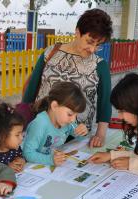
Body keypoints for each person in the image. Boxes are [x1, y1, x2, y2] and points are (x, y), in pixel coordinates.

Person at [21, 8, 113, 148]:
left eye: (98, 45)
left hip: (76, 137)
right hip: (41, 133)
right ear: (77, 32)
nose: (93, 49)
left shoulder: (99, 65)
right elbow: (31, 90)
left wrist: (100, 135)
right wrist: (21, 125)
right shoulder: (50, 53)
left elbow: (105, 103)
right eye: (90, 42)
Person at [23, 81, 88, 166]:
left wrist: (82, 132)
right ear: (54, 106)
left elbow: (79, 138)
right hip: (31, 166)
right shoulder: (40, 124)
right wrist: (50, 160)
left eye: (76, 115)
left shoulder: (66, 122)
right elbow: (28, 153)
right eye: (70, 114)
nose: (73, 119)